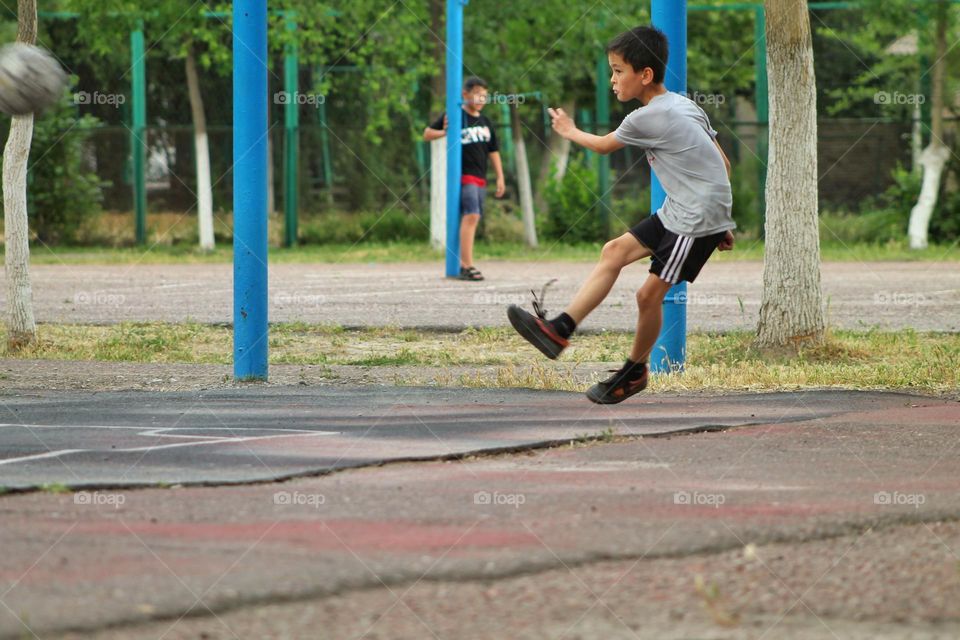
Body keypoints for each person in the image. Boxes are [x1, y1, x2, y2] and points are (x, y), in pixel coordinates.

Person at [507, 25, 736, 404]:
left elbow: (601, 146)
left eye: (617, 71)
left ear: (644, 75)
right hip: (687, 212)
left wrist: (568, 129)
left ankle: (634, 372)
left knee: (649, 295)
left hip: (694, 218)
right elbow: (723, 163)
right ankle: (559, 329)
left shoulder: (645, 118)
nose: (612, 79)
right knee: (613, 251)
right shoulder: (684, 103)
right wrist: (721, 219)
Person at [423, 76, 506, 281]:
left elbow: (493, 151)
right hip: (464, 176)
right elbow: (427, 133)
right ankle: (466, 265)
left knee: (473, 217)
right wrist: (443, 132)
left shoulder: (485, 122)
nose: (481, 98)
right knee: (472, 215)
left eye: (485, 95)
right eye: (477, 93)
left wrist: (500, 177)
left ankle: (466, 262)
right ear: (465, 94)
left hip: (480, 177)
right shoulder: (456, 115)